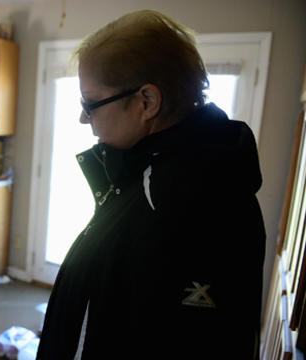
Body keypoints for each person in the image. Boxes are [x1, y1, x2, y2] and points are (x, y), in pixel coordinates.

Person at [37, 10, 265, 359]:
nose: (84, 117)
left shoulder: (189, 199)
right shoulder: (151, 169)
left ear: (147, 101)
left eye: (90, 102)